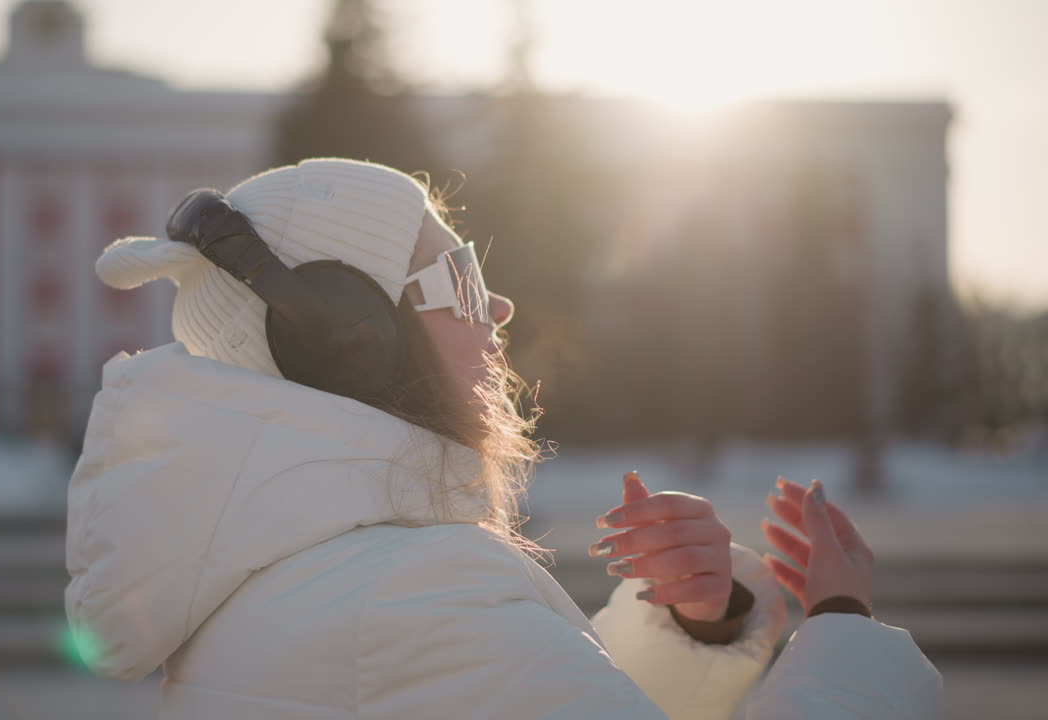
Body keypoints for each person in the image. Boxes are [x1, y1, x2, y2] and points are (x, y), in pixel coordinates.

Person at [64, 158, 940, 719]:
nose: (503, 308)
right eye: (461, 276)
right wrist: (842, 625)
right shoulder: (416, 597)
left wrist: (699, 630)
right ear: (347, 335)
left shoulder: (309, 572)